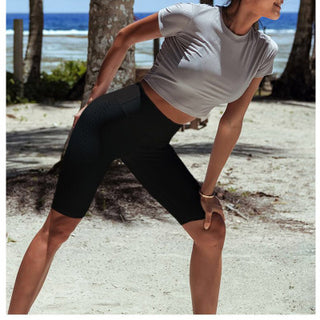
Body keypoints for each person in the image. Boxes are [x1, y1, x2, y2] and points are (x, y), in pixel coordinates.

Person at [8, 0, 281, 314]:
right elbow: (124, 37)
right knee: (57, 230)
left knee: (212, 232)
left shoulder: (263, 51)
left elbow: (232, 123)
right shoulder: (193, 16)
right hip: (105, 125)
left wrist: (208, 191)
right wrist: (95, 97)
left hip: (151, 145)